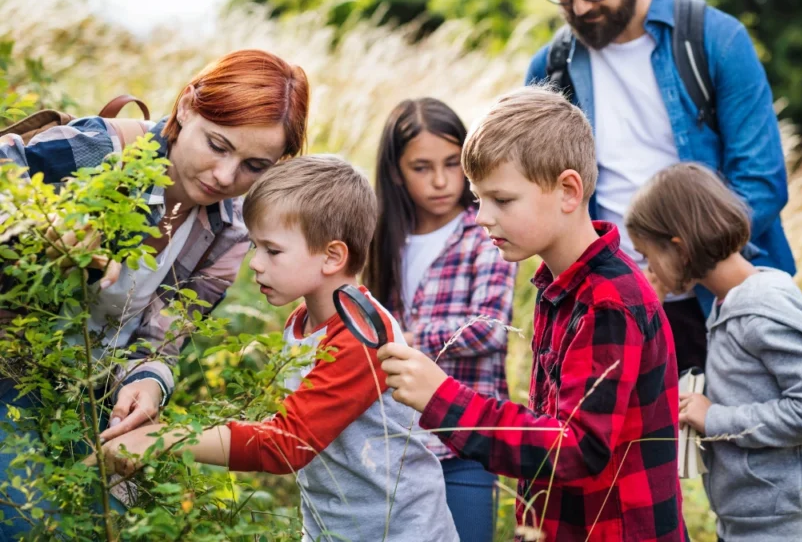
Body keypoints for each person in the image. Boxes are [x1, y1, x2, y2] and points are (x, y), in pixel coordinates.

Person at [0, 49, 309, 537]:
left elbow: (162, 339)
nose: (226, 177)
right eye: (217, 144)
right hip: (12, 370)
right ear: (187, 107)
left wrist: (149, 382)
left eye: (254, 164)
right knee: (24, 522)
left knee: (94, 523)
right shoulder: (105, 151)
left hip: (89, 396)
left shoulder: (228, 229)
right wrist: (39, 223)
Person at [378, 87, 685, 541]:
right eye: (479, 198)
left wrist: (442, 399)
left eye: (502, 200)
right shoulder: (558, 287)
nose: (482, 217)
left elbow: (576, 447)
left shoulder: (609, 301)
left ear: (567, 190)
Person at [99, 155, 459, 542]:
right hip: (332, 528)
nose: (255, 263)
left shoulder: (362, 333)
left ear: (332, 256)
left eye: (272, 250)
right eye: (255, 246)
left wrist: (165, 438)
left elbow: (289, 444)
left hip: (400, 532)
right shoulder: (302, 322)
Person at [524, 0, 794, 373]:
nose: (579, 8)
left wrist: (672, 269)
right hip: (607, 309)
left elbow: (762, 183)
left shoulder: (715, 40)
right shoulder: (549, 69)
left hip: (722, 305)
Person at [626, 162, 802, 542]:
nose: (649, 268)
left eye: (648, 255)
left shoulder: (762, 311)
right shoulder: (728, 306)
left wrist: (717, 418)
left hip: (788, 532)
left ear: (679, 248)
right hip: (747, 526)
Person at [365, 98, 516, 542]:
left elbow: (491, 327)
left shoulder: (486, 231)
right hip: (399, 443)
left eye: (453, 164)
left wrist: (410, 339)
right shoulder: (383, 238)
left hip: (464, 440)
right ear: (395, 172)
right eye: (422, 167)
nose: (441, 181)